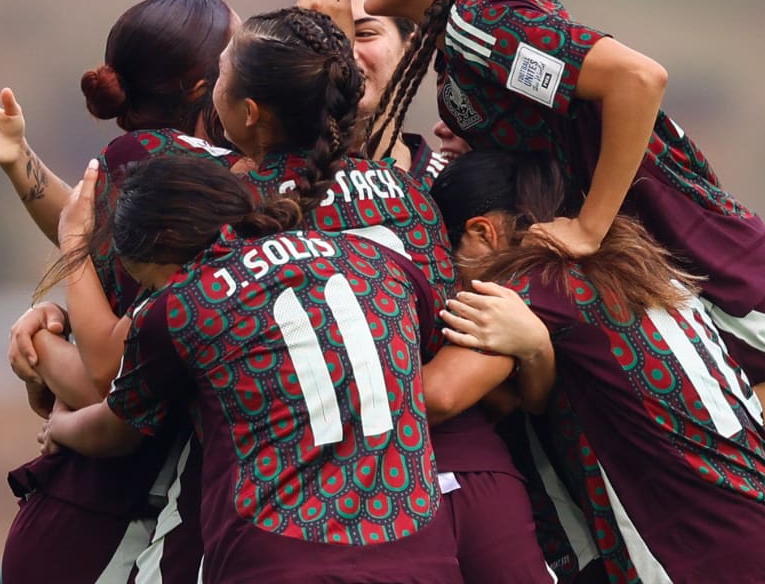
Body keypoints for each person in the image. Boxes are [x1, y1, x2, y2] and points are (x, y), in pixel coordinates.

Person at [342, 0, 765, 457]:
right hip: (670, 277)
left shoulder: (480, 19)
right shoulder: (472, 26)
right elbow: (562, 111)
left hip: (710, 269)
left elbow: (636, 79)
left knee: (760, 515)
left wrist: (589, 227)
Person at [198, 4, 553, 582]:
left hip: (336, 492)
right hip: (470, 465)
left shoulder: (237, 206)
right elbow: (452, 329)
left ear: (251, 112)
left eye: (222, 75)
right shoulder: (408, 191)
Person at [429, 150, 765, 584]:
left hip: (727, 563)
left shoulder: (538, 280)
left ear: (483, 232)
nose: (447, 279)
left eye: (446, 259)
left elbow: (440, 394)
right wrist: (537, 354)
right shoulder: (641, 265)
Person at [40, 155, 464, 583]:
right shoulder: (379, 262)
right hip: (421, 558)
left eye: (149, 283)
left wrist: (59, 423)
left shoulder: (185, 304)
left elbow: (116, 428)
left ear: (164, 242)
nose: (151, 296)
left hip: (278, 559)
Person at [0, 0, 237, 582]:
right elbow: (110, 380)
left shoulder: (154, 158)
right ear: (201, 87)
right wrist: (48, 355)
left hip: (92, 508)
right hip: (103, 517)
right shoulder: (185, 163)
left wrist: (21, 163)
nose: (251, 62)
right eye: (238, 50)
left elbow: (84, 228)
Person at [310, 0, 450, 187]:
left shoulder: (449, 186)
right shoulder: (277, 189)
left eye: (365, 33)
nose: (348, 54)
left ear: (411, 51)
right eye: (325, 38)